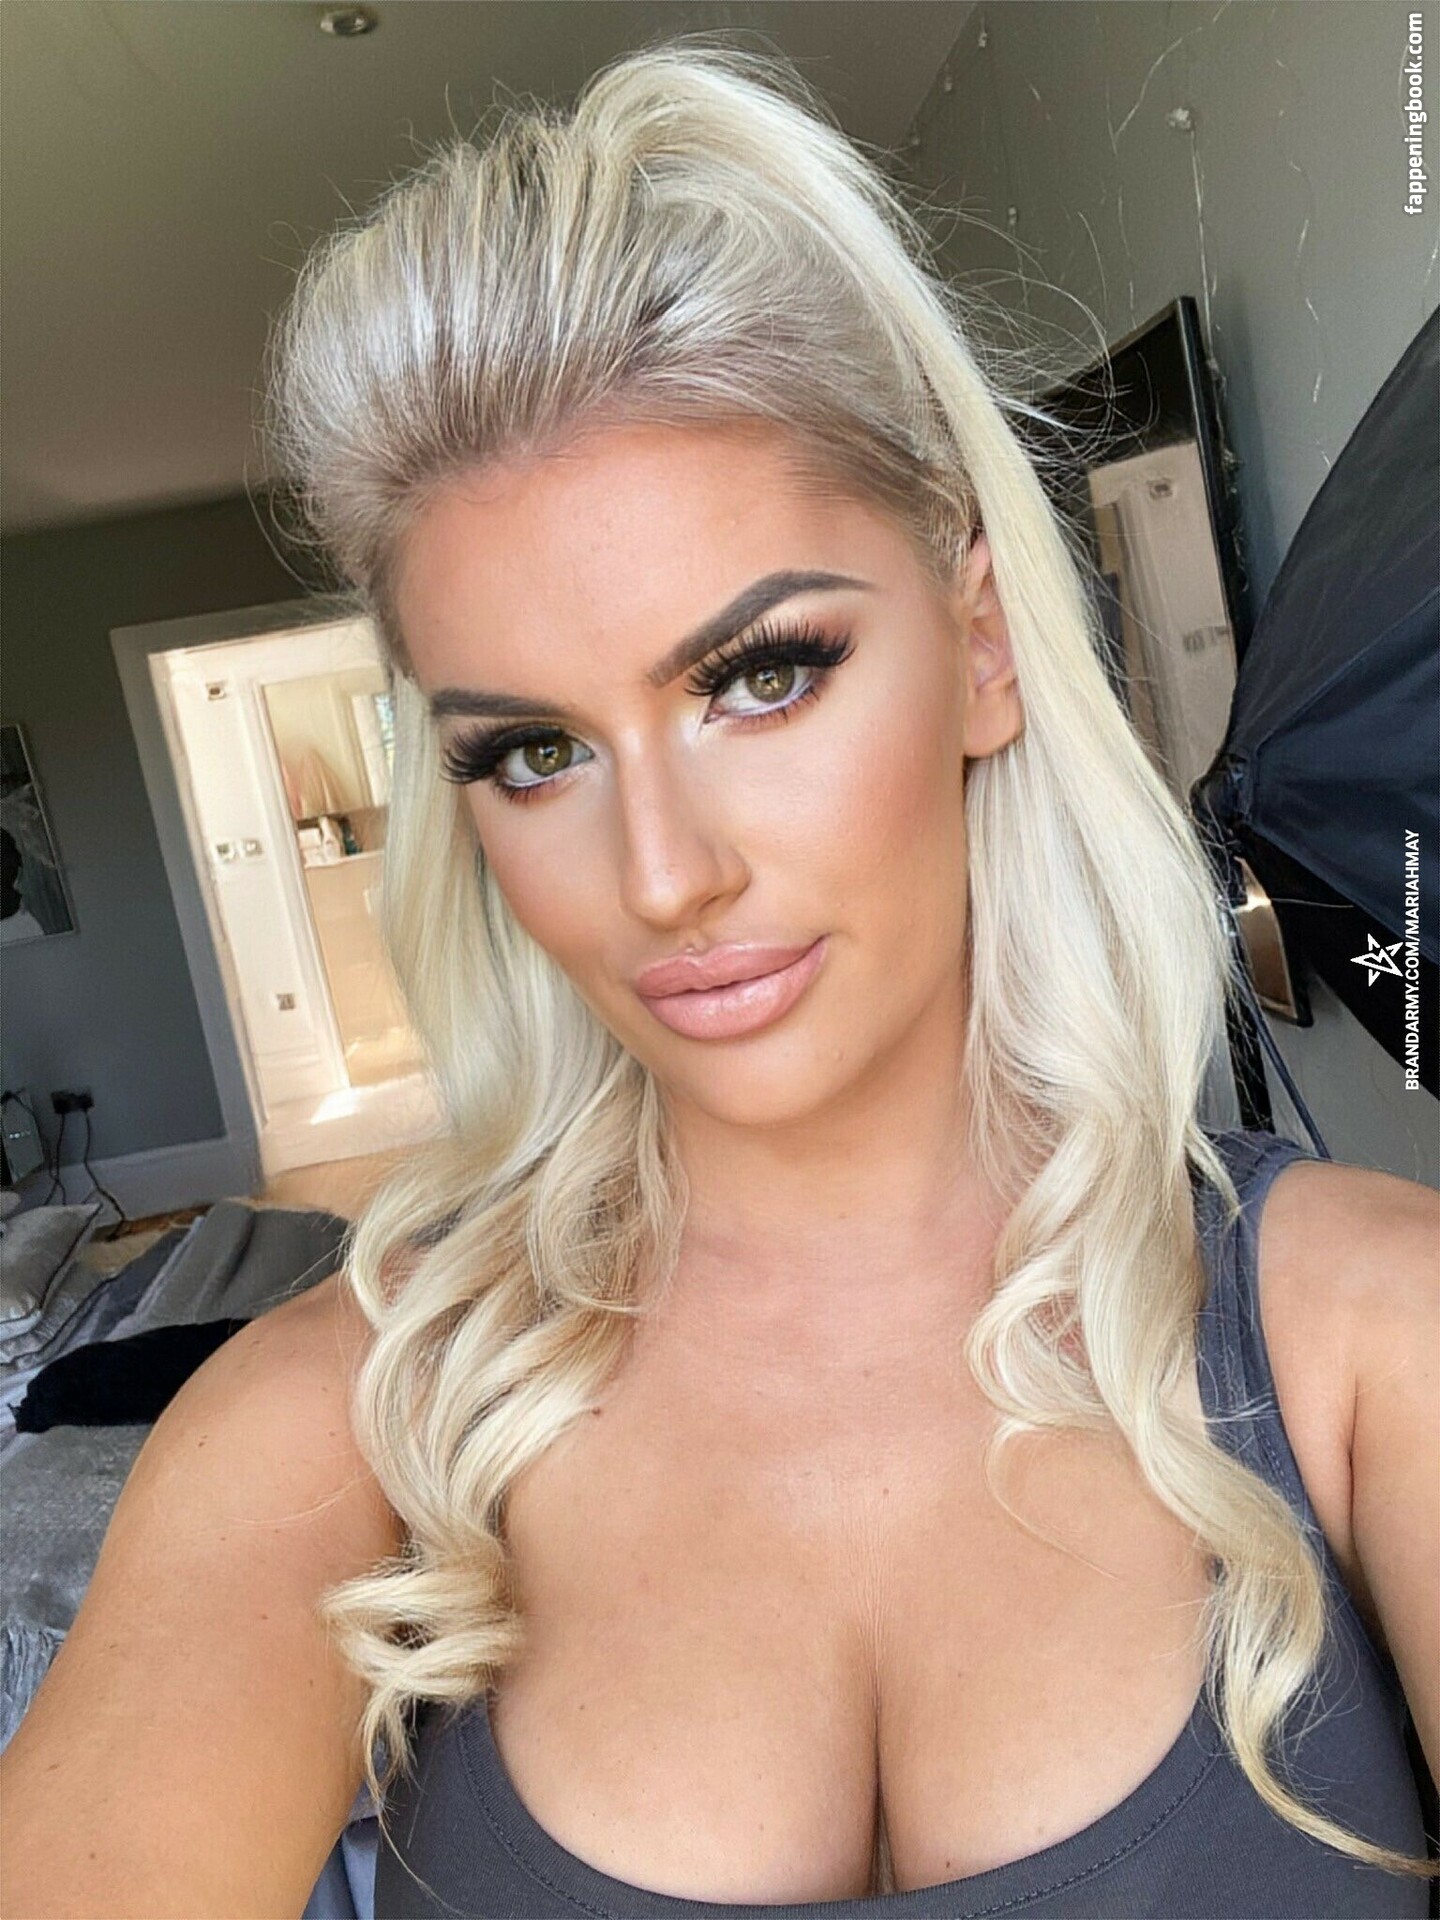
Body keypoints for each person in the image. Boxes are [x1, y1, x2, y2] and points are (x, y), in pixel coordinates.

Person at [2, 37, 1435, 1920]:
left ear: (983, 643)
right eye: (533, 752)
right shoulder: (333, 1434)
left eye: (761, 677)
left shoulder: (1371, 1338)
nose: (665, 876)